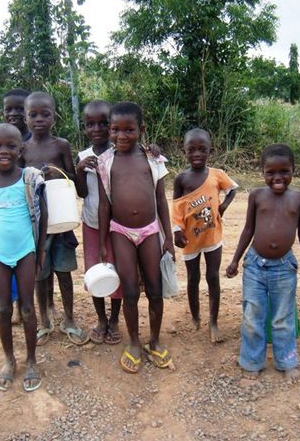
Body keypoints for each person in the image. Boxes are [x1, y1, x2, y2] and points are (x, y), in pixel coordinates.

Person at [226, 144, 300, 381]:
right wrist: (235, 260)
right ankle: (252, 361)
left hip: (284, 267)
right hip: (255, 265)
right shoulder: (257, 196)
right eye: (271, 172)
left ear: (293, 170)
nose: (278, 177)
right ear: (262, 172)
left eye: (284, 171)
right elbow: (248, 229)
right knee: (252, 315)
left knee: (283, 317)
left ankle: (286, 360)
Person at [97, 101, 175, 373]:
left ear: (141, 129)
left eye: (129, 130)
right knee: (129, 291)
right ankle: (133, 343)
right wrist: (102, 244)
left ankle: (154, 341)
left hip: (150, 231)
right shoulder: (105, 162)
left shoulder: (153, 159)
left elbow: (161, 200)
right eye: (115, 129)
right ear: (109, 130)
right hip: (120, 232)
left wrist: (168, 238)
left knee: (155, 290)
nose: (121, 135)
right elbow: (104, 206)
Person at [0, 123, 46, 392]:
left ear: (21, 149)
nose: (3, 151)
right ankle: (9, 359)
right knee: (3, 309)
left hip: (26, 252)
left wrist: (40, 251)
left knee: (27, 308)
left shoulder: (28, 180)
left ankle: (31, 361)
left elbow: (43, 215)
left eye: (10, 146)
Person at [19, 91, 89, 346]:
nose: (39, 119)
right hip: (36, 226)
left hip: (62, 221)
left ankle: (69, 319)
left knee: (64, 272)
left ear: (54, 118)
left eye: (45, 114)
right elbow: (18, 181)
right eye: (33, 115)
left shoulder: (61, 145)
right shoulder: (23, 148)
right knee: (40, 274)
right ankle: (44, 322)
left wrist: (65, 172)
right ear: (26, 119)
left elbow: (71, 178)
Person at [172, 128, 238, 344]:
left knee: (212, 277)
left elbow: (232, 190)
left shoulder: (217, 174)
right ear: (184, 151)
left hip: (212, 237)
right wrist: (176, 231)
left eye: (202, 149)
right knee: (193, 278)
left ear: (211, 150)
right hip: (190, 239)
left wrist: (223, 207)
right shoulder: (181, 179)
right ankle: (195, 316)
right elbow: (176, 208)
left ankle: (213, 321)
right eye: (191, 150)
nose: (197, 154)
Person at [75, 100, 123, 345]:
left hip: (117, 226)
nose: (97, 129)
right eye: (90, 124)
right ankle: (101, 319)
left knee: (115, 271)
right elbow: (82, 193)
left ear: (111, 125)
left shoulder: (120, 152)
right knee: (94, 272)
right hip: (92, 224)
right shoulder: (83, 156)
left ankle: (114, 319)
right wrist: (79, 170)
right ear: (84, 127)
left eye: (103, 123)